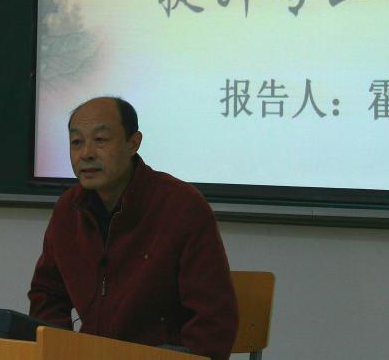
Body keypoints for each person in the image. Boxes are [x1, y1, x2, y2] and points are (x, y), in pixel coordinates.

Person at [28, 96, 238, 360]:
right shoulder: (69, 210)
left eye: (100, 140)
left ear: (133, 143)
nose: (86, 153)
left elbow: (214, 318)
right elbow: (47, 294)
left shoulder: (181, 206)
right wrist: (58, 350)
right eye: (76, 142)